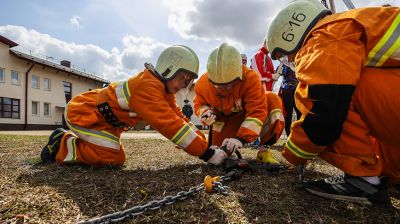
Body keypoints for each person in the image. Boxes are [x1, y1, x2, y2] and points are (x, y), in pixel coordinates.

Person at [266, 0, 400, 206]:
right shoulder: (348, 25)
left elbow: (325, 114)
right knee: (389, 169)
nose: (289, 61)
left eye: (284, 56)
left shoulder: (326, 37)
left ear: (292, 35)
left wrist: (293, 153)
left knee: (340, 90)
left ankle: (364, 181)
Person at [40, 45, 228, 166]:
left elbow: (179, 119)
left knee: (114, 156)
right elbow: (171, 126)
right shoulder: (147, 87)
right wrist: (207, 153)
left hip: (104, 120)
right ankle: (61, 144)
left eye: (187, 81)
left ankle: (72, 143)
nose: (183, 84)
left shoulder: (162, 90)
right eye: (182, 78)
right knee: (112, 157)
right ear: (168, 69)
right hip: (84, 113)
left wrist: (208, 146)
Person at [194, 42, 285, 164]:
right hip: (223, 120)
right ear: (210, 78)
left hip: (245, 115)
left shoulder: (251, 78)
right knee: (219, 155)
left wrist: (241, 138)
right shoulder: (202, 84)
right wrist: (205, 112)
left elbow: (257, 111)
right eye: (219, 86)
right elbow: (199, 104)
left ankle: (263, 150)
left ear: (239, 74)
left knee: (272, 99)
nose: (224, 89)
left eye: (230, 84)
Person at [277, 63, 301, 136]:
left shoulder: (297, 62)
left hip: (297, 89)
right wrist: (282, 64)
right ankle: (289, 135)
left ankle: (298, 133)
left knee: (300, 112)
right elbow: (279, 72)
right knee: (288, 114)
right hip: (287, 90)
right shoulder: (283, 64)